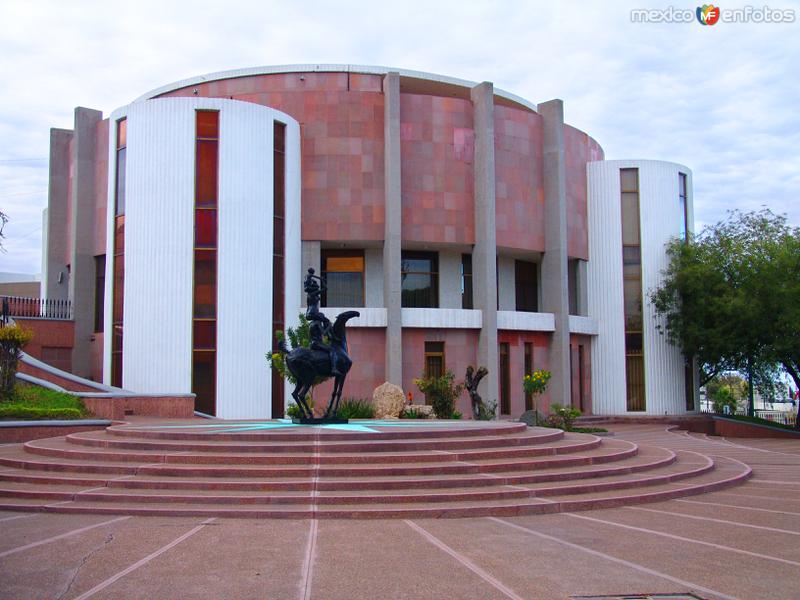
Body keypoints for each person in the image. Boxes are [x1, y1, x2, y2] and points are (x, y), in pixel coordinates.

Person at [303, 268, 341, 376]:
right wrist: (322, 280)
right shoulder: (312, 294)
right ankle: (333, 368)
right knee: (332, 350)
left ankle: (331, 335)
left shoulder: (313, 324)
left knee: (326, 319)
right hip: (312, 314)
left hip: (312, 316)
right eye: (315, 286)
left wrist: (319, 279)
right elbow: (325, 289)